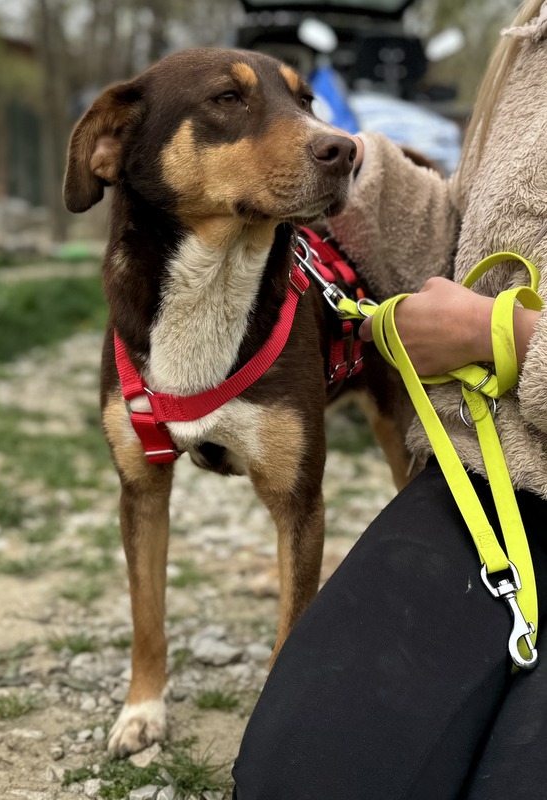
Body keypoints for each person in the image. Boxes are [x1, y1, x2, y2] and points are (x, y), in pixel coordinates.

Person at [232, 1, 547, 798]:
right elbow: (471, 237)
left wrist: (504, 339)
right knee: (304, 778)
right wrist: (355, 169)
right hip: (495, 479)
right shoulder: (533, 33)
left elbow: (491, 318)